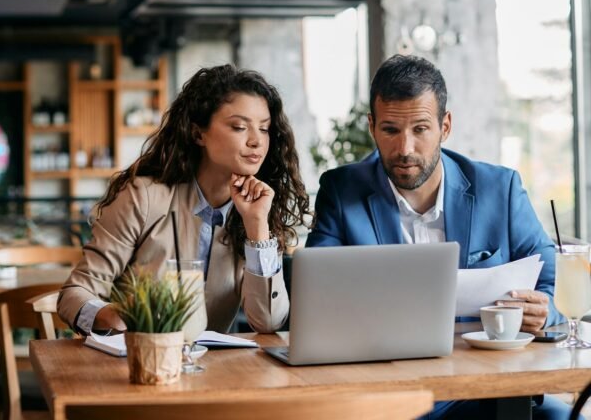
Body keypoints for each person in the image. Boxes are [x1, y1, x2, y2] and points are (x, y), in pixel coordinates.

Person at [306, 54, 569, 420]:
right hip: (385, 396)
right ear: (371, 127)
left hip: (489, 392)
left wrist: (543, 312)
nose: (405, 149)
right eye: (390, 130)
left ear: (445, 126)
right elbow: (315, 298)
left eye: (420, 129)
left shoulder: (500, 190)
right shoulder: (341, 191)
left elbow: (551, 294)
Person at [58, 64, 310, 335]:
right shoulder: (143, 198)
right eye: (239, 127)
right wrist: (113, 317)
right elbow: (74, 294)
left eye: (264, 129)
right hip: (138, 363)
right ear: (197, 133)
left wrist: (258, 227)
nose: (256, 141)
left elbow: (268, 321)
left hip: (211, 373)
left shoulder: (256, 212)